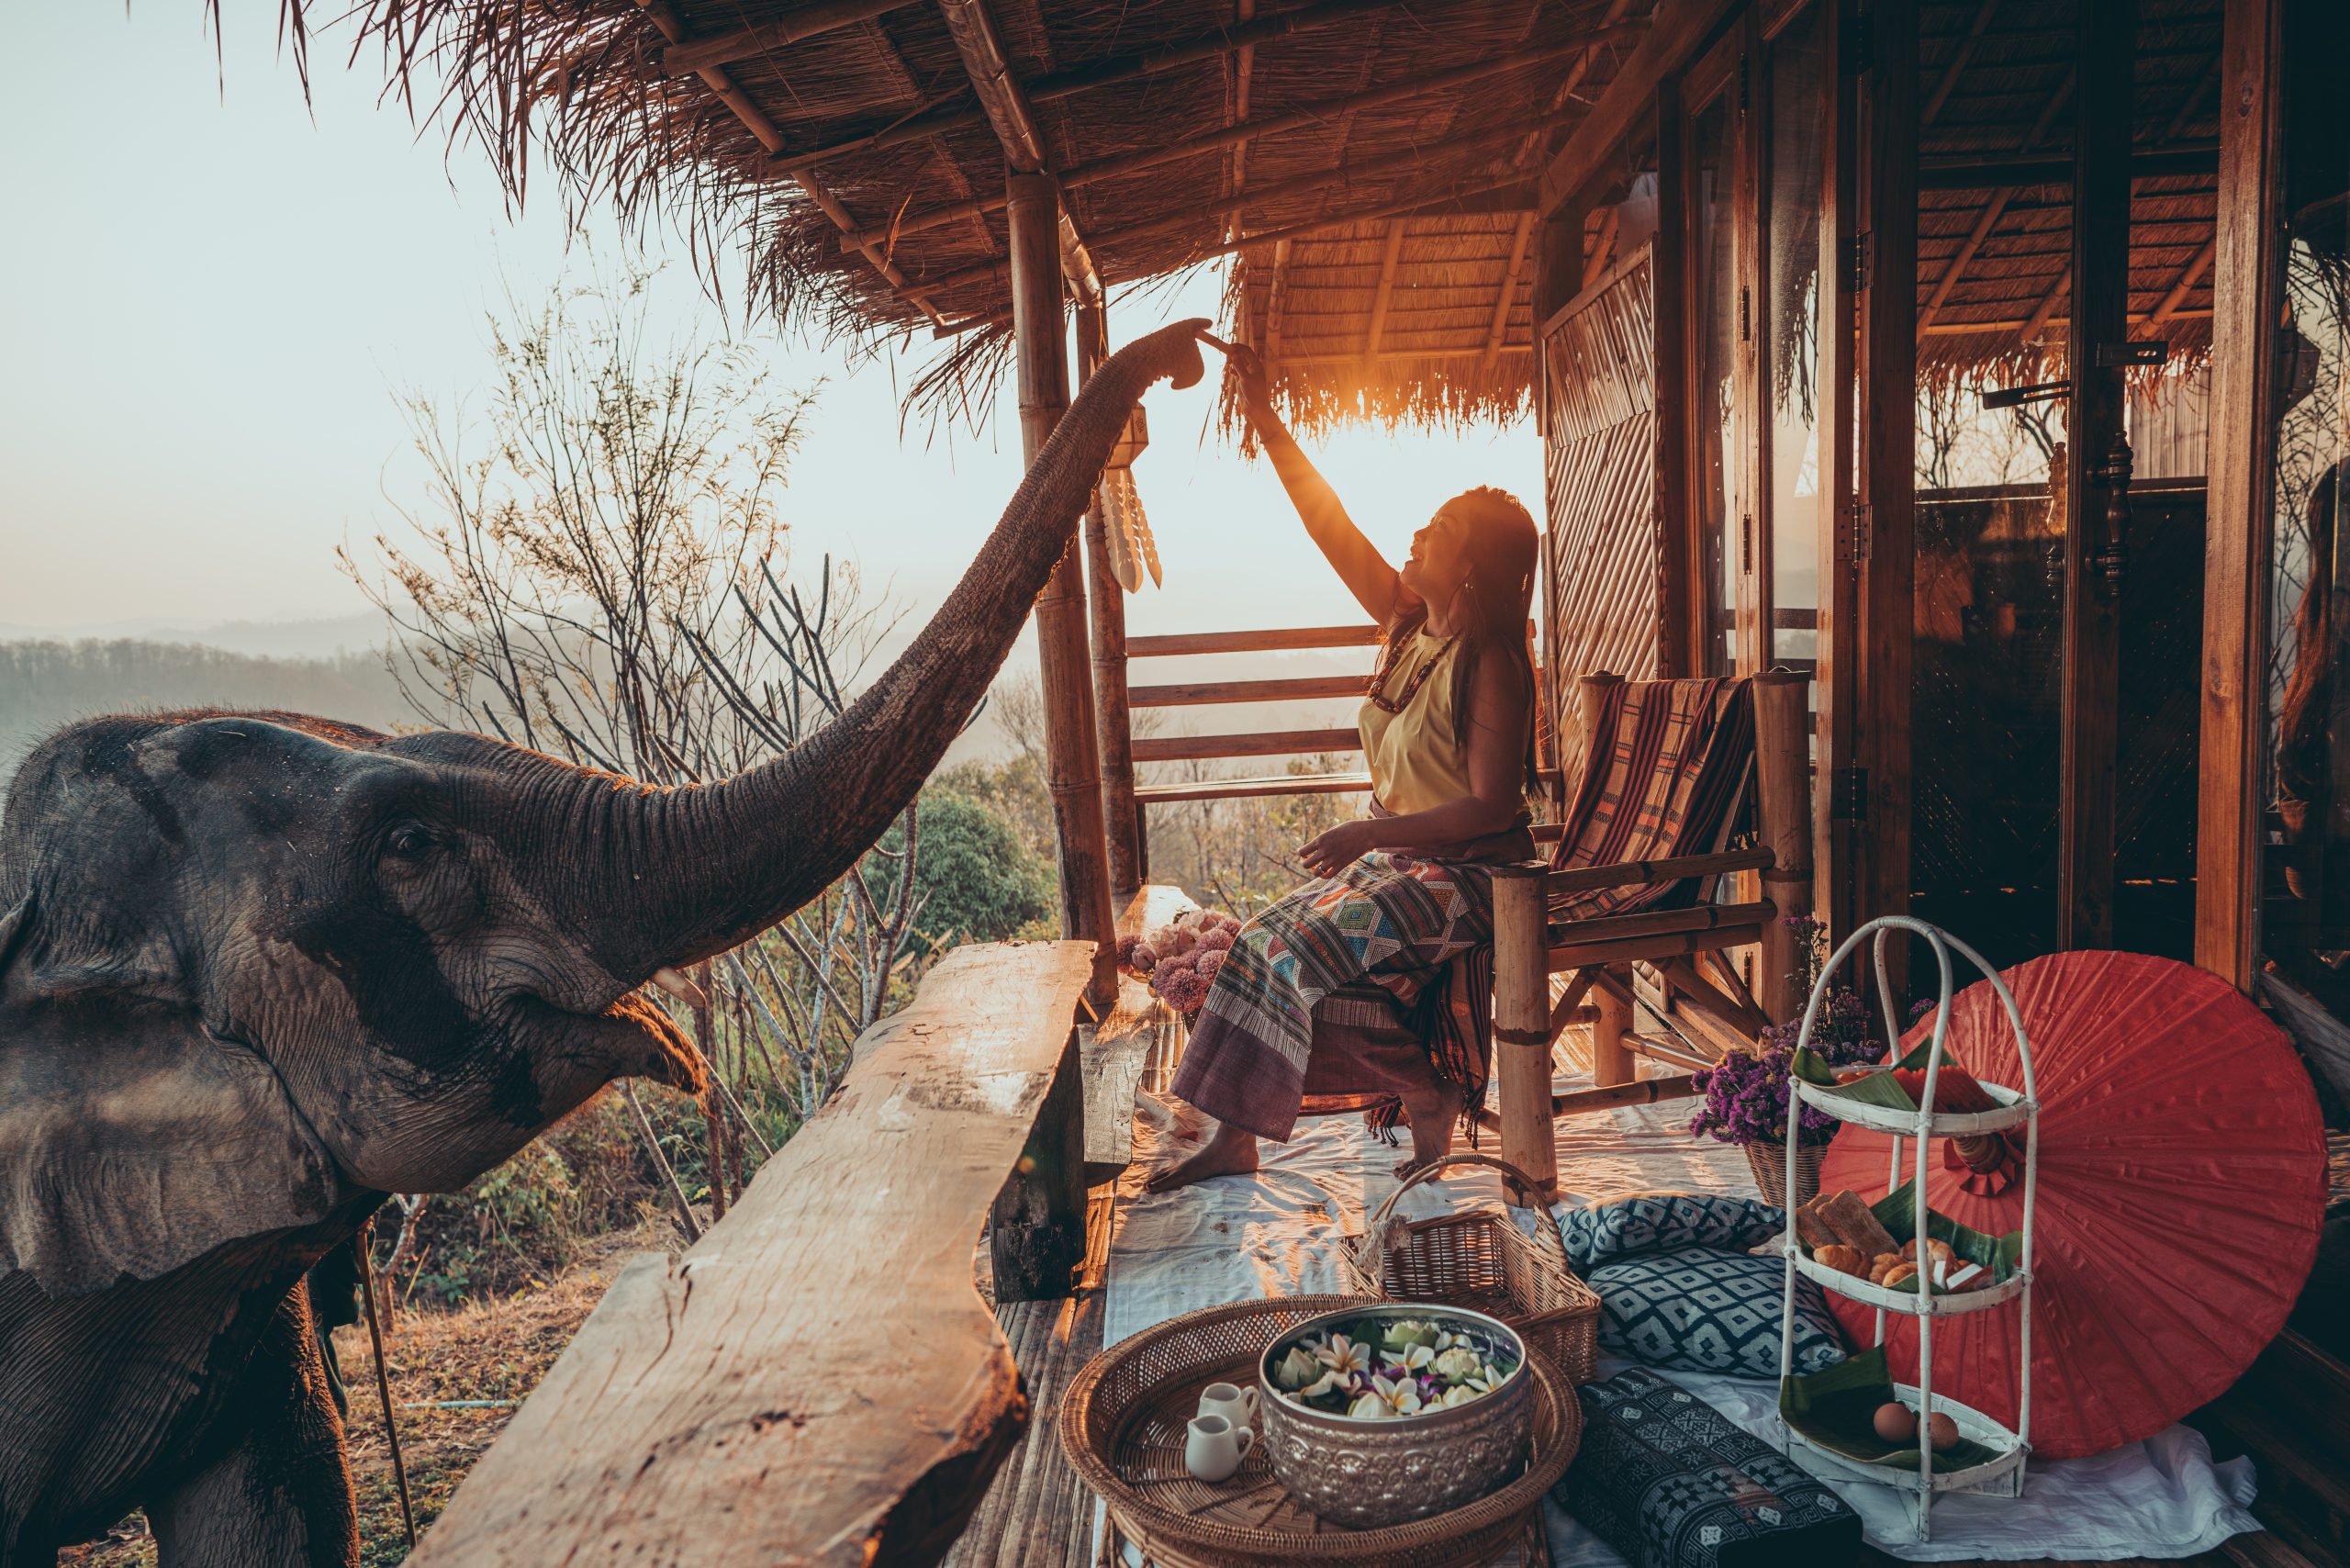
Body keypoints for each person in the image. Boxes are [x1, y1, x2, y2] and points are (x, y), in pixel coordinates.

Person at [1150, 343, 1540, 1191]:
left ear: (1468, 563)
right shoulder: (1411, 625)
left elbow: (1487, 808)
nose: (1416, 535)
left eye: (1436, 530)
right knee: (1260, 944)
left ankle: (1427, 1091)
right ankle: (1240, 1135)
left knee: (1297, 962)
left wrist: (1370, 829)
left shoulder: (1493, 661)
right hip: (1405, 859)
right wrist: (1264, 417)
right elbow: (1327, 523)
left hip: (1469, 876)